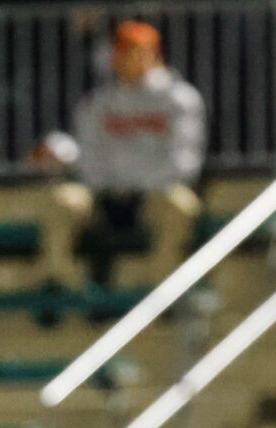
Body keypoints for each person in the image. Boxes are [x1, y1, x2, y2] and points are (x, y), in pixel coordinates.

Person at [33, 23, 206, 291]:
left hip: (153, 196)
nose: (129, 59)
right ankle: (61, 285)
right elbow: (89, 156)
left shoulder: (179, 100)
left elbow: (184, 163)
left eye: (138, 51)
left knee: (181, 204)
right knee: (63, 200)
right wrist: (109, 185)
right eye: (124, 52)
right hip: (105, 196)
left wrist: (134, 184)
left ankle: (161, 289)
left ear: (155, 54)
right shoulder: (99, 102)